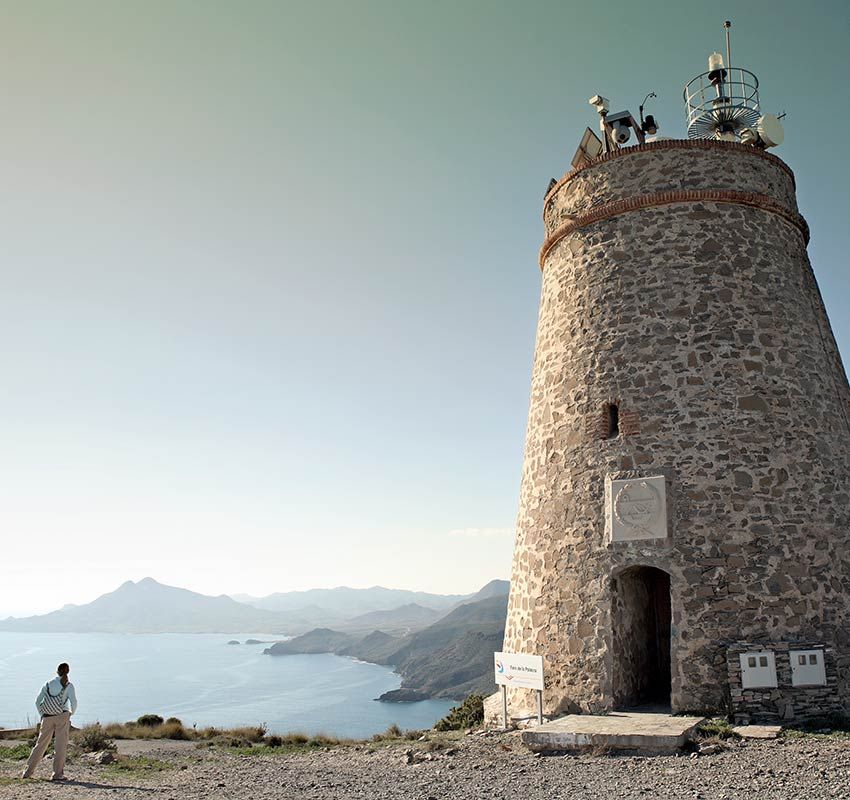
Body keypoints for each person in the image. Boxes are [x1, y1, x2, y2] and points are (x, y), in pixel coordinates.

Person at [22, 662, 78, 781]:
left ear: (57, 671)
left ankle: (27, 772)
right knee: (60, 746)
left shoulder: (47, 684)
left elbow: (38, 702)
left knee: (40, 745)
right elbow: (74, 703)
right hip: (62, 716)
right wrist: (69, 714)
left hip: (47, 717)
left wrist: (43, 714)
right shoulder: (69, 685)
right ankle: (57, 774)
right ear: (68, 672)